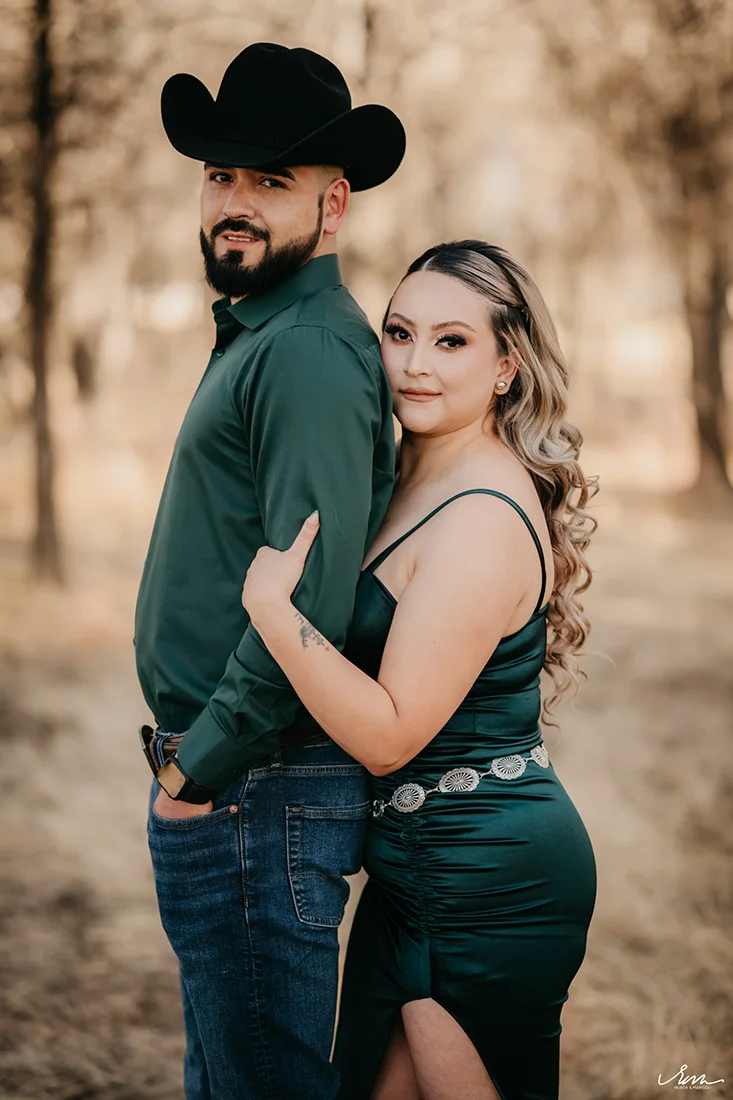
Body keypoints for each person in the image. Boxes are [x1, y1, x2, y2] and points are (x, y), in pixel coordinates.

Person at [241, 240, 599, 1100]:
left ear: (507, 366)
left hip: (486, 881)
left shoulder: (480, 513)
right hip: (410, 874)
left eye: (451, 341)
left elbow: (391, 736)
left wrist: (274, 615)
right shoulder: (408, 471)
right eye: (399, 333)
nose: (413, 364)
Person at [133, 42, 406, 1100]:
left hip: (257, 784)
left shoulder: (304, 350)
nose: (234, 203)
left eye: (270, 181)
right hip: (240, 785)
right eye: (220, 175)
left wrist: (194, 773)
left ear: (333, 206)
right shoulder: (267, 331)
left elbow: (308, 602)